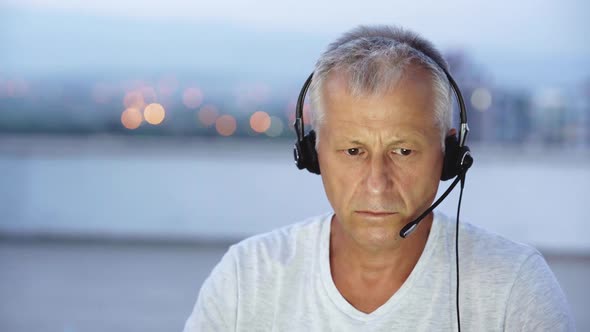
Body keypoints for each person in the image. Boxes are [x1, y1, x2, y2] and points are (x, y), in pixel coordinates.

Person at [183, 25, 575, 331]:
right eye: (353, 151)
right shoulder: (245, 277)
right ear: (312, 152)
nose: (376, 183)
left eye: (402, 151)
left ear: (449, 155)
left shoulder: (514, 288)